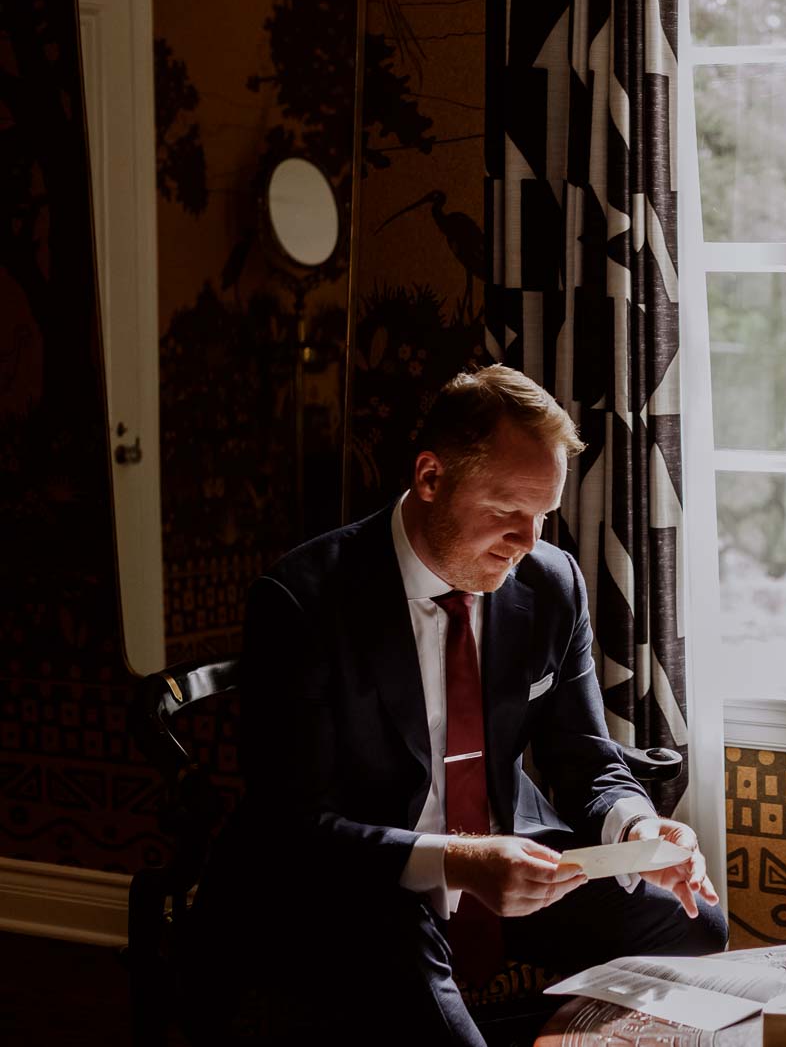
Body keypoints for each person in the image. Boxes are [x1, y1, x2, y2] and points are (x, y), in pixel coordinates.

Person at [187, 366, 725, 1045]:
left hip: (518, 858)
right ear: (431, 478)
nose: (529, 541)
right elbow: (297, 825)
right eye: (507, 511)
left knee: (697, 925)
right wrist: (458, 862)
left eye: (543, 515)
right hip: (369, 880)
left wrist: (638, 833)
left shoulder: (551, 584)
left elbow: (585, 758)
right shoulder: (303, 601)